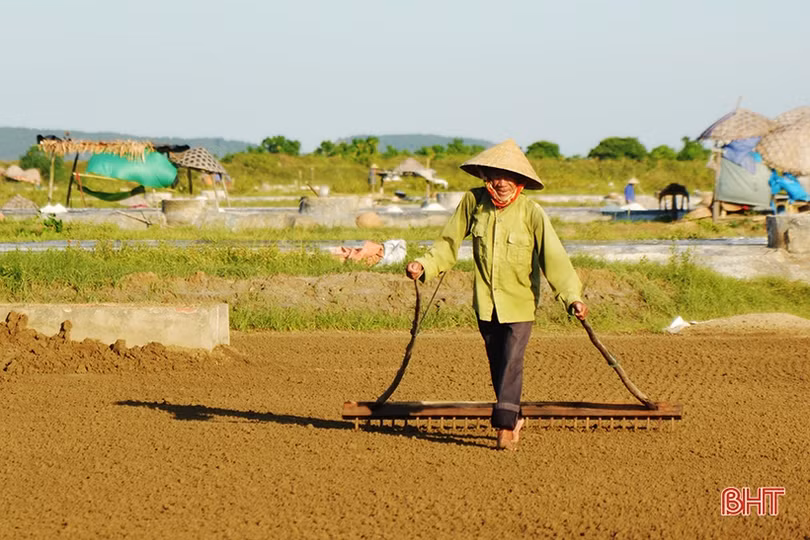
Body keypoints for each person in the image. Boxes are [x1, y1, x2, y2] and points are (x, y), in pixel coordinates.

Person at [405, 139, 588, 451]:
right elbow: (448, 243)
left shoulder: (532, 213)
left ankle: (504, 427)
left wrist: (572, 296)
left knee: (512, 361)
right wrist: (424, 264)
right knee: (498, 362)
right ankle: (514, 415)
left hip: (520, 303)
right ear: (485, 176)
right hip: (486, 304)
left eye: (507, 176)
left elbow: (554, 258)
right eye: (494, 175)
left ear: (519, 181)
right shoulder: (473, 203)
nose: (501, 182)